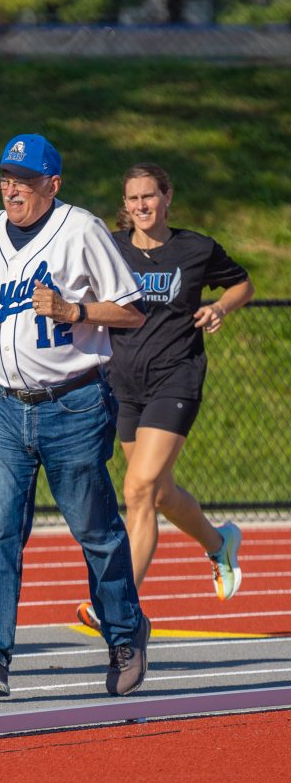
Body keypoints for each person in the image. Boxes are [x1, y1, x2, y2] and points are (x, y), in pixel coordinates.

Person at [0, 134, 150, 698]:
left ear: (52, 185)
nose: (12, 189)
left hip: (74, 404)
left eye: (24, 181)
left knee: (94, 531)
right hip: (4, 406)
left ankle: (124, 632)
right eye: (5, 179)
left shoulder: (80, 229)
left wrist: (74, 309)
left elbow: (131, 312)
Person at [74, 163, 254, 630]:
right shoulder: (111, 248)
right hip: (124, 384)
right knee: (159, 494)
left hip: (176, 378)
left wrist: (220, 306)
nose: (141, 206)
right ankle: (219, 544)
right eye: (133, 198)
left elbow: (243, 284)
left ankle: (119, 605)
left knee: (138, 490)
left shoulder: (195, 249)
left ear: (167, 197)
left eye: (149, 196)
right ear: (125, 204)